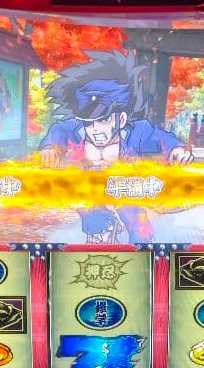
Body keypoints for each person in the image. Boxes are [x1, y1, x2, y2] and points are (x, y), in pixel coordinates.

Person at [37, 50, 192, 242]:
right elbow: (59, 130)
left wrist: (177, 149)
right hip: (91, 193)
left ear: (122, 119)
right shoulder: (76, 128)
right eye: (89, 123)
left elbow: (162, 137)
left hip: (125, 191)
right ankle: (102, 229)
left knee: (139, 228)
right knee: (94, 222)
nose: (95, 130)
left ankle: (142, 252)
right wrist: (51, 148)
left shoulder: (138, 132)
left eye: (104, 120)